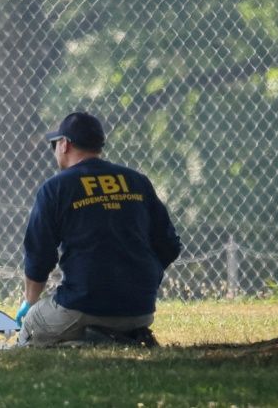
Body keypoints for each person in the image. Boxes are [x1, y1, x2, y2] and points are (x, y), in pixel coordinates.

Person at [14, 111, 181, 347]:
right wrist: (143, 277)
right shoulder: (136, 181)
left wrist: (29, 303)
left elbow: (39, 256)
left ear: (64, 144)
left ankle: (85, 343)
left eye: (55, 144)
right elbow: (169, 245)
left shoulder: (56, 188)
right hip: (140, 310)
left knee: (33, 324)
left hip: (85, 305)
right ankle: (114, 338)